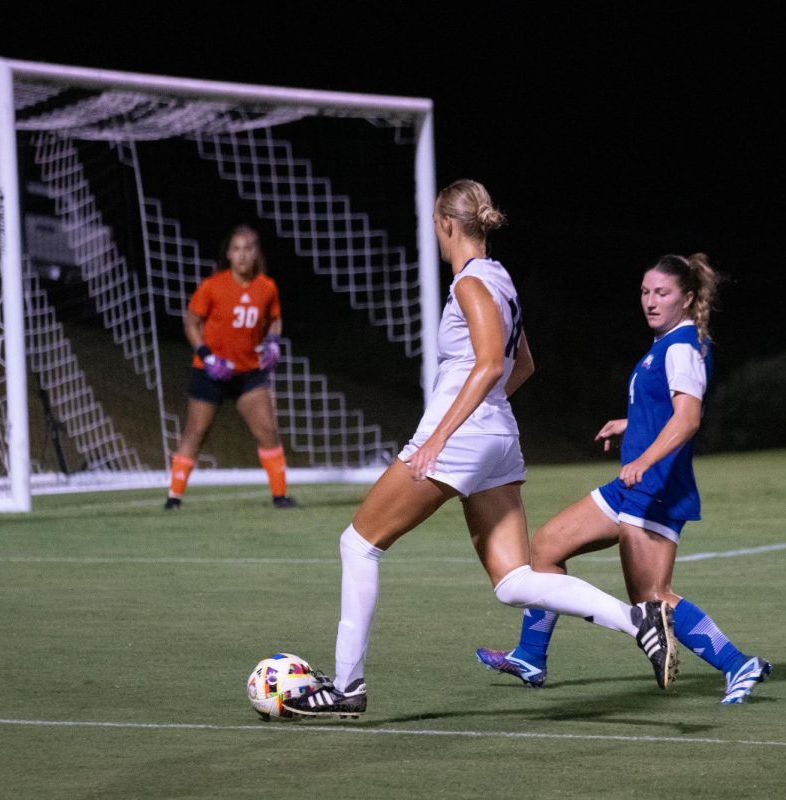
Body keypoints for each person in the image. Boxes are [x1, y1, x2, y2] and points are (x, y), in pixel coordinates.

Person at [284, 180, 678, 718]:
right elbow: (524, 365)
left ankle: (348, 688)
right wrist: (483, 419)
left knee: (358, 544)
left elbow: (493, 363)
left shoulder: (470, 283)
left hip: (463, 437)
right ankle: (637, 622)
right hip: (496, 436)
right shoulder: (501, 280)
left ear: (448, 223)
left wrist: (443, 436)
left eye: (435, 224)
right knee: (515, 581)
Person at [477, 253, 772, 704]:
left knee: (651, 598)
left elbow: (688, 419)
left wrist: (644, 459)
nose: (650, 301)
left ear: (688, 298)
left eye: (663, 293)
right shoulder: (666, 344)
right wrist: (629, 424)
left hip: (655, 489)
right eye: (645, 291)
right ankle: (530, 656)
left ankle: (738, 664)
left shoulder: (681, 346)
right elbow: (663, 414)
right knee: (546, 547)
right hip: (632, 487)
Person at [164, 224, 297, 510]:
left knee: (267, 430)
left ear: (256, 252)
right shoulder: (213, 286)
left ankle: (280, 496)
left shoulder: (267, 287)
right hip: (211, 371)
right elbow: (191, 322)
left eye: (248, 248)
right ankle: (173, 498)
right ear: (228, 253)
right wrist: (207, 356)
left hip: (249, 373)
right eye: (236, 249)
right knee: (196, 432)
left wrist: (273, 342)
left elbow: (275, 319)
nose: (242, 255)